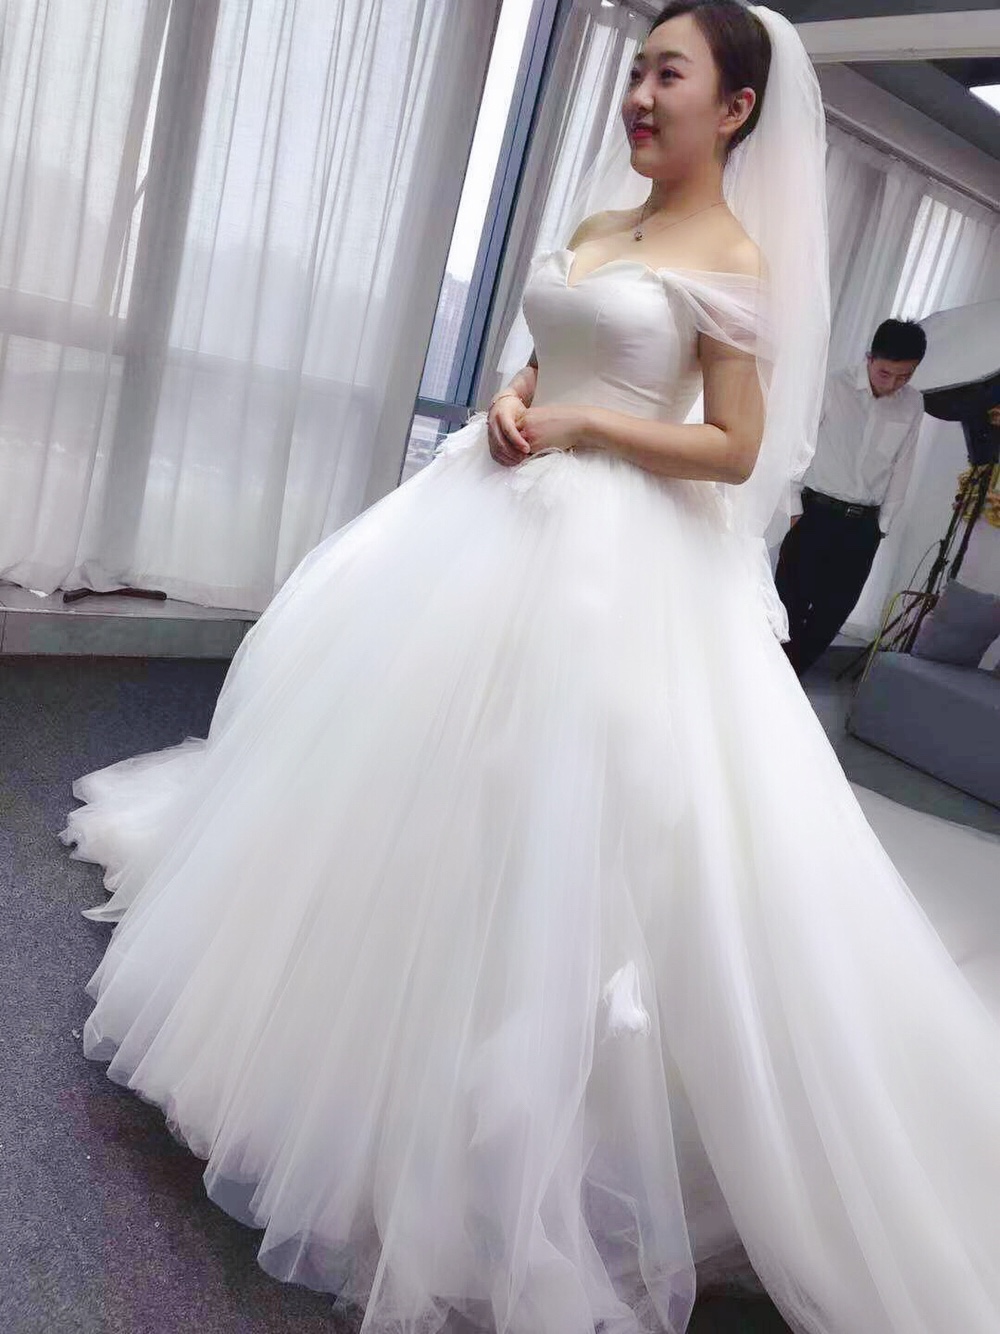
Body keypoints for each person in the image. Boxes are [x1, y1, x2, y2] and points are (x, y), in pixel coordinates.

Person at [59, 5, 1000, 1333]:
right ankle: (352, 1027)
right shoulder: (607, 223)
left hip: (614, 557)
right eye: (636, 69)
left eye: (668, 73)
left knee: (554, 805)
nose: (639, 94)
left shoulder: (731, 255)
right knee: (409, 767)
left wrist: (584, 425)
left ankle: (499, 1093)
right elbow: (539, 356)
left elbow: (733, 444)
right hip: (487, 516)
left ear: (734, 108)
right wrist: (512, 398)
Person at [775, 319, 927, 675]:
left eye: (905, 376)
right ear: (869, 358)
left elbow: (903, 464)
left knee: (832, 615)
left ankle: (788, 682)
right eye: (886, 373)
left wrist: (882, 526)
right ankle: (769, 682)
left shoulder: (913, 403)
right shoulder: (833, 387)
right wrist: (793, 508)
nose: (893, 384)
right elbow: (796, 448)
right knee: (787, 608)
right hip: (814, 514)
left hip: (863, 527)